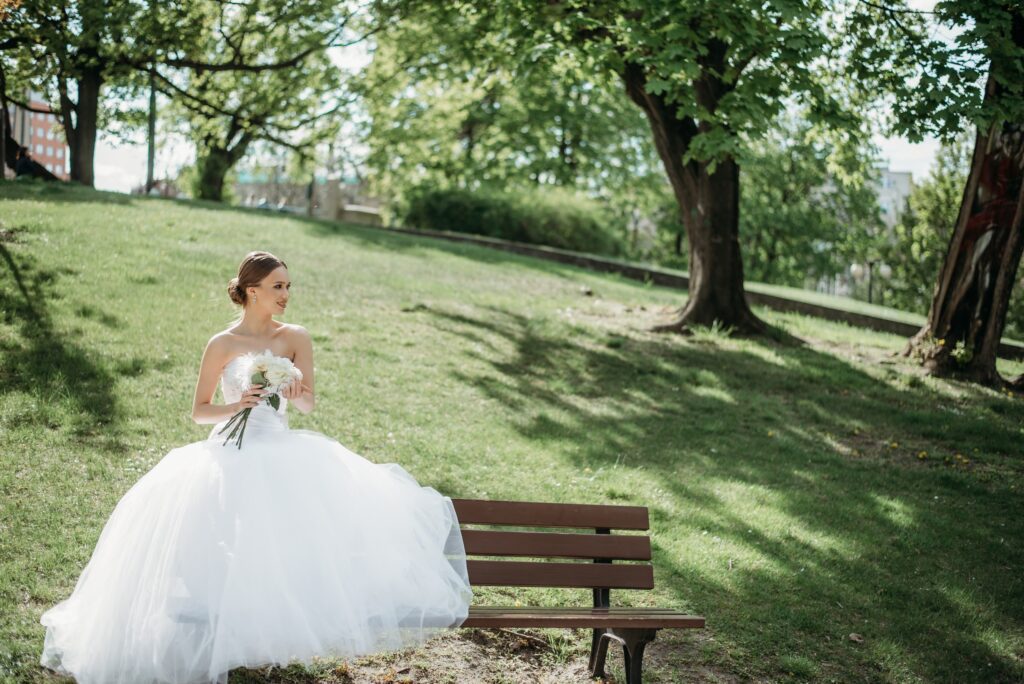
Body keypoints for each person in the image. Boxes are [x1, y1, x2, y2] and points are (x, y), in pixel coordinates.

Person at [39, 251, 473, 684]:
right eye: (277, 287)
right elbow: (199, 411)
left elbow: (306, 404)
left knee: (277, 542)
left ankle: (262, 632)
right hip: (229, 447)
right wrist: (236, 405)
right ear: (252, 291)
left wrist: (295, 387)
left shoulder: (295, 337)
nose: (285, 294)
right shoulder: (222, 343)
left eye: (288, 286)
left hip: (280, 447)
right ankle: (206, 629)